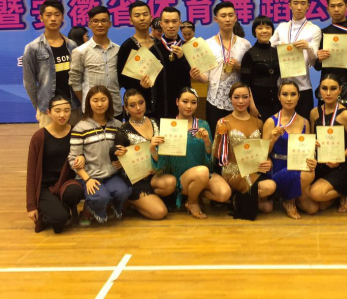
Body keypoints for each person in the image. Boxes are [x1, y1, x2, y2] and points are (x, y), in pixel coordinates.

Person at [155, 87, 232, 218]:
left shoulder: (203, 125)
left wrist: (207, 141)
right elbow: (162, 162)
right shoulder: (168, 126)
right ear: (177, 102)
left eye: (193, 102)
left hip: (203, 173)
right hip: (180, 177)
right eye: (185, 101)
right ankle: (192, 202)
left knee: (224, 194)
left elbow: (210, 160)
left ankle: (196, 191)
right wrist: (153, 148)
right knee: (202, 171)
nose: (189, 106)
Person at [110, 89, 177, 220]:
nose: (138, 108)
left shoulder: (154, 122)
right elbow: (119, 164)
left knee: (171, 182)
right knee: (160, 213)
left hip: (155, 174)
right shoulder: (122, 132)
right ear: (126, 108)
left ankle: (148, 200)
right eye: (132, 105)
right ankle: (131, 201)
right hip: (137, 181)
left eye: (141, 102)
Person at [68, 86, 131, 224]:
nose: (100, 104)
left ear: (109, 101)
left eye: (103, 100)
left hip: (111, 175)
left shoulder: (117, 125)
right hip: (90, 175)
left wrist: (122, 159)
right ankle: (91, 208)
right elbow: (73, 159)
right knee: (101, 197)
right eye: (95, 100)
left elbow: (125, 151)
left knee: (123, 191)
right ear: (88, 103)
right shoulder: (80, 128)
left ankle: (111, 206)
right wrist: (87, 179)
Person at [213, 82, 276, 215]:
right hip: (233, 171)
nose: (241, 101)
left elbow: (263, 151)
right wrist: (219, 135)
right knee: (268, 189)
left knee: (267, 205)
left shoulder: (258, 122)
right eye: (236, 97)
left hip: (253, 169)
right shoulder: (224, 122)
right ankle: (242, 198)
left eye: (245, 97)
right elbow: (217, 154)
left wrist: (268, 161)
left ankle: (238, 199)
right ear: (230, 98)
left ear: (250, 98)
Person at [191, 2, 252, 136]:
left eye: (231, 15)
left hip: (239, 100)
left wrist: (239, 67)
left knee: (239, 137)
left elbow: (250, 73)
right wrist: (198, 76)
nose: (227, 19)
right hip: (215, 100)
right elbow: (205, 77)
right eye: (223, 16)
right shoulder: (207, 44)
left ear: (236, 18)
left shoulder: (245, 44)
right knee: (216, 138)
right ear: (216, 19)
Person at [25, 95, 83, 233]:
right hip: (45, 187)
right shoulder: (39, 137)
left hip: (65, 183)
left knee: (76, 191)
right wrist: (31, 206)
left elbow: (84, 153)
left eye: (66, 110)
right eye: (57, 111)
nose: (62, 115)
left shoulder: (75, 132)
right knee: (59, 220)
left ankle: (63, 207)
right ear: (49, 112)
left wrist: (82, 157)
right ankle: (53, 212)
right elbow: (31, 172)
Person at [23, 0, 81, 127]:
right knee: (49, 140)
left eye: (57, 15)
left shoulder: (72, 45)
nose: (53, 19)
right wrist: (40, 107)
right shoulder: (33, 48)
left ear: (62, 17)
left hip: (73, 108)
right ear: (41, 18)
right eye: (48, 15)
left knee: (75, 140)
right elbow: (29, 82)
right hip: (48, 111)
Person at [263, 81, 316, 219]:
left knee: (312, 209)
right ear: (279, 97)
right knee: (308, 175)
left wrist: (313, 158)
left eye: (293, 94)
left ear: (299, 96)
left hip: (297, 166)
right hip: (277, 169)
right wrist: (273, 139)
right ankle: (288, 200)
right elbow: (262, 154)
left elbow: (308, 152)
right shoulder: (271, 121)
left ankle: (287, 195)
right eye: (285, 94)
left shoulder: (305, 122)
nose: (289, 98)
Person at [309, 73, 347, 213]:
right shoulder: (314, 113)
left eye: (333, 88)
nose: (328, 93)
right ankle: (338, 192)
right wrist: (313, 142)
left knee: (316, 194)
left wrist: (340, 158)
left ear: (340, 90)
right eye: (324, 88)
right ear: (319, 90)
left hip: (341, 164)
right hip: (321, 163)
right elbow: (312, 138)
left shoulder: (346, 115)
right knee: (320, 205)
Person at [270, 0, 322, 117]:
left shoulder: (314, 29)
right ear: (290, 5)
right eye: (296, 3)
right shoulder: (282, 27)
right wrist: (278, 45)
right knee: (281, 125)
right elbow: (268, 46)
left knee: (304, 125)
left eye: (303, 3)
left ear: (308, 6)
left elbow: (313, 62)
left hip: (303, 87)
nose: (299, 7)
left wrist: (308, 47)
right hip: (281, 86)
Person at [69, 6, 122, 119]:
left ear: (110, 24)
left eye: (104, 21)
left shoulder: (118, 50)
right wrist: (87, 101)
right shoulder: (80, 51)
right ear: (89, 24)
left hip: (115, 108)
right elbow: (75, 81)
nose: (100, 24)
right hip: (92, 111)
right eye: (95, 21)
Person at [116, 1, 157, 119]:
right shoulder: (127, 47)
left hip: (161, 105)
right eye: (137, 15)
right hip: (138, 107)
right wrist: (140, 85)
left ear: (151, 18)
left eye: (145, 14)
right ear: (130, 20)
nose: (142, 18)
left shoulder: (159, 44)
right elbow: (122, 79)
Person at [151, 6, 192, 120]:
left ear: (180, 23)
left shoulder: (188, 47)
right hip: (161, 107)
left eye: (174, 21)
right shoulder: (153, 50)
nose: (170, 25)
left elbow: (195, 74)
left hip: (184, 106)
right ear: (161, 24)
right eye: (166, 22)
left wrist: (182, 58)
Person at [241, 16, 281, 120]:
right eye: (260, 28)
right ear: (255, 32)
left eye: (268, 27)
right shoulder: (249, 54)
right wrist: (251, 106)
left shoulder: (277, 52)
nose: (264, 31)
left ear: (272, 31)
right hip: (257, 105)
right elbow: (245, 84)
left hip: (276, 104)